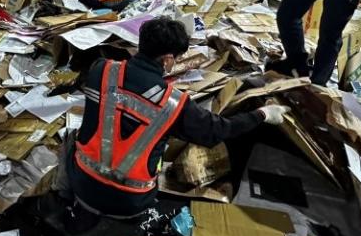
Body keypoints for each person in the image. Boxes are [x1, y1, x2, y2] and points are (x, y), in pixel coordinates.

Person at [68, 17, 289, 218]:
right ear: (166, 60)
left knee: (75, 135)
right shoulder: (174, 104)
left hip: (80, 182)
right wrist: (263, 114)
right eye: (176, 59)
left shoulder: (101, 70)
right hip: (129, 202)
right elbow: (218, 131)